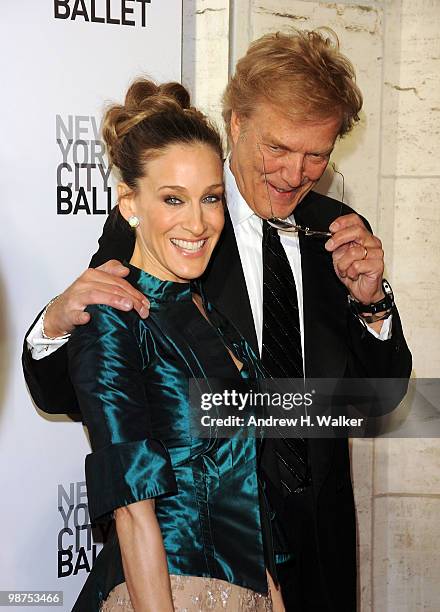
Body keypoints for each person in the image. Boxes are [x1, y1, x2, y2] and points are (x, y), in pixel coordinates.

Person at [23, 29, 412, 611]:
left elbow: (378, 399)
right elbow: (80, 387)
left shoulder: (337, 231)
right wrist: (56, 321)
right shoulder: (169, 228)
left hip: (313, 554)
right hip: (192, 561)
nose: (294, 172)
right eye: (277, 148)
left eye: (316, 155)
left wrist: (371, 303)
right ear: (236, 123)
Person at [66, 78, 282, 611]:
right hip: (164, 594)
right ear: (129, 202)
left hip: (245, 591)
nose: (197, 222)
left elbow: (248, 487)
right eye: (172, 199)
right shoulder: (114, 316)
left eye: (210, 198)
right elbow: (132, 510)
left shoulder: (212, 316)